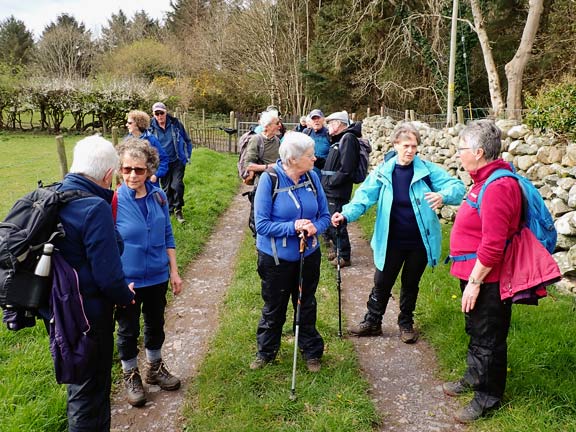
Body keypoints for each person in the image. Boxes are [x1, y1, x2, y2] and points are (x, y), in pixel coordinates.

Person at [332, 122, 465, 343]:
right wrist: (345, 215)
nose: (410, 150)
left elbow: (458, 188)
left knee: (410, 283)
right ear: (396, 144)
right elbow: (363, 197)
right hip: (391, 240)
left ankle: (406, 323)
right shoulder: (384, 172)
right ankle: (373, 321)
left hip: (420, 242)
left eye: (414, 146)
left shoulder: (427, 171)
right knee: (382, 281)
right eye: (406, 145)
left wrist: (443, 196)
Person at [52, 135, 135, 432]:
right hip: (88, 317)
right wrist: (125, 296)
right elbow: (108, 276)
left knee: (79, 385)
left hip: (58, 310)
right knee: (91, 391)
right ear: (109, 175)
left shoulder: (56, 195)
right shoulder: (94, 207)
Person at [443, 120, 522, 423]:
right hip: (476, 273)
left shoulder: (499, 185)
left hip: (489, 278)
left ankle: (488, 397)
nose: (458, 154)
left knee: (489, 335)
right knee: (476, 329)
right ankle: (475, 377)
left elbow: (493, 243)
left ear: (477, 152)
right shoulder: (484, 179)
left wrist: (475, 282)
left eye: (461, 148)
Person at [249, 131, 331, 372]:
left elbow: (324, 215)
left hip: (309, 255)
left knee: (306, 303)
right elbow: (261, 224)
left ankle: (311, 352)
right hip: (275, 259)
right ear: (293, 159)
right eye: (309, 155)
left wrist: (315, 227)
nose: (314, 159)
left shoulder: (312, 178)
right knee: (274, 306)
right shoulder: (270, 179)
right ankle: (266, 351)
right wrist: (293, 226)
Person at [114, 138, 183, 407]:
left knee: (155, 324)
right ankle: (130, 374)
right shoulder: (113, 201)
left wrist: (174, 272)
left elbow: (167, 234)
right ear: (120, 169)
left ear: (149, 169)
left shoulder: (159, 196)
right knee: (127, 329)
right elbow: (106, 246)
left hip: (157, 276)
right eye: (127, 169)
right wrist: (116, 280)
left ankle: (154, 369)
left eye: (139, 170)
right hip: (127, 281)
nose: (132, 175)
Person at [321, 110, 361, 268]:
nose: (328, 126)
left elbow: (347, 169)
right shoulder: (340, 139)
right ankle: (338, 251)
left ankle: (344, 255)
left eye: (330, 123)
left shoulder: (348, 139)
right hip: (332, 189)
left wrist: (331, 182)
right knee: (331, 222)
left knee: (337, 223)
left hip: (337, 191)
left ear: (338, 124)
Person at [149, 102, 193, 224]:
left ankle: (178, 209)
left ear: (166, 112)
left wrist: (187, 156)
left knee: (177, 185)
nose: (159, 116)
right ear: (153, 115)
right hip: (162, 163)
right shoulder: (150, 128)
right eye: (156, 114)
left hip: (177, 160)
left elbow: (187, 140)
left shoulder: (175, 124)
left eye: (161, 113)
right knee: (166, 187)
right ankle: (169, 209)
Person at [243, 110, 282, 236]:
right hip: (262, 183)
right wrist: (269, 167)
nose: (279, 125)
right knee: (258, 214)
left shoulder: (277, 140)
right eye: (277, 123)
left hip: (277, 183)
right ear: (268, 126)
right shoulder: (256, 140)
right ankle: (258, 241)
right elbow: (248, 165)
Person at [126, 110, 169, 183]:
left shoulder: (151, 140)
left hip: (148, 183)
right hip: (132, 181)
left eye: (130, 123)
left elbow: (163, 159)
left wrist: (156, 175)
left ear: (138, 124)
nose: (126, 125)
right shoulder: (127, 141)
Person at [303, 109, 331, 178]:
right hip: (308, 174)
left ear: (323, 119)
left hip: (324, 175)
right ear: (310, 121)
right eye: (313, 119)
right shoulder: (306, 133)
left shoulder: (329, 134)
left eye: (318, 118)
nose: (316, 121)